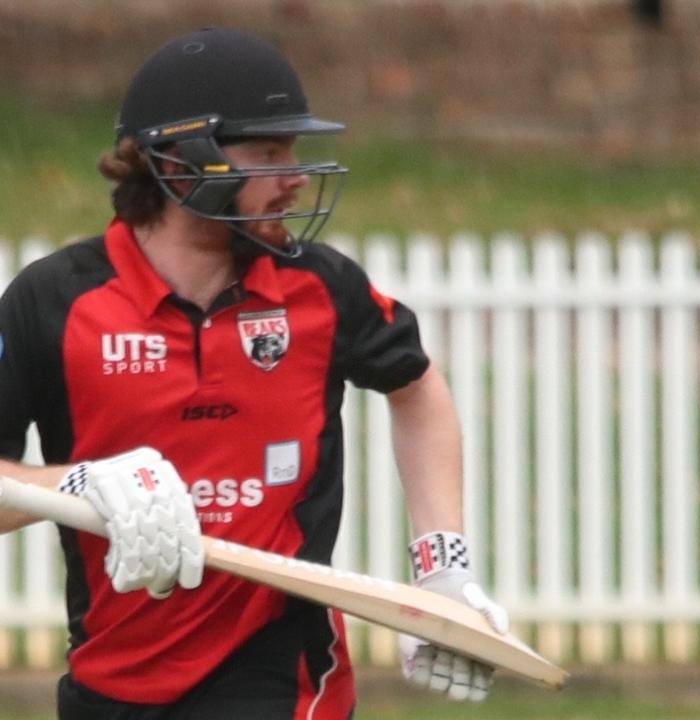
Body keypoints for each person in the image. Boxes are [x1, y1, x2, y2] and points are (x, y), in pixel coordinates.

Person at [0, 27, 506, 719]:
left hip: (286, 681)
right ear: (181, 163)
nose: (296, 175)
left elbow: (416, 387)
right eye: (270, 152)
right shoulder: (51, 302)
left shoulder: (321, 289)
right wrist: (75, 485)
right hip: (107, 688)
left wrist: (443, 567)